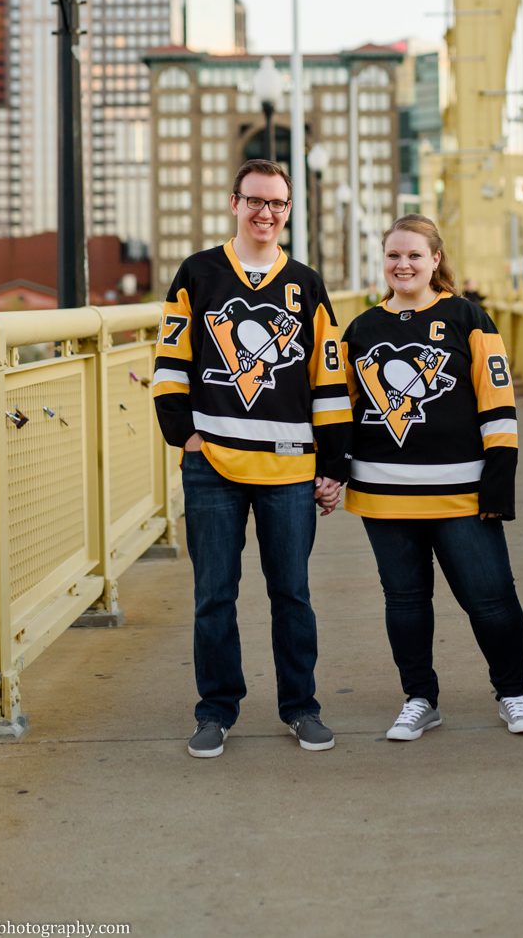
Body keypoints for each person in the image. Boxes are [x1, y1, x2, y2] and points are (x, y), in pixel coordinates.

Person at [152, 158, 351, 758]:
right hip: (211, 462)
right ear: (234, 203)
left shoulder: (307, 284)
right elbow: (170, 363)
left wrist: (333, 465)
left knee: (292, 592)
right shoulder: (199, 273)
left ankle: (301, 706)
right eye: (256, 201)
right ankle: (215, 710)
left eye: (278, 204)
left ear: (289, 211)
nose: (267, 213)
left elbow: (330, 377)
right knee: (215, 592)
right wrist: (183, 437)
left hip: (290, 467)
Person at [341, 214, 523, 741]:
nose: (402, 265)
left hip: (462, 492)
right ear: (382, 262)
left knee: (491, 598)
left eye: (413, 255)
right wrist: (332, 472)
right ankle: (420, 698)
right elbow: (343, 410)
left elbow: (498, 405)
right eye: (393, 256)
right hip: (384, 493)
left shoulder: (468, 317)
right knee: (404, 603)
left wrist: (499, 484)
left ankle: (513, 693)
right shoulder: (361, 329)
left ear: (435, 260)